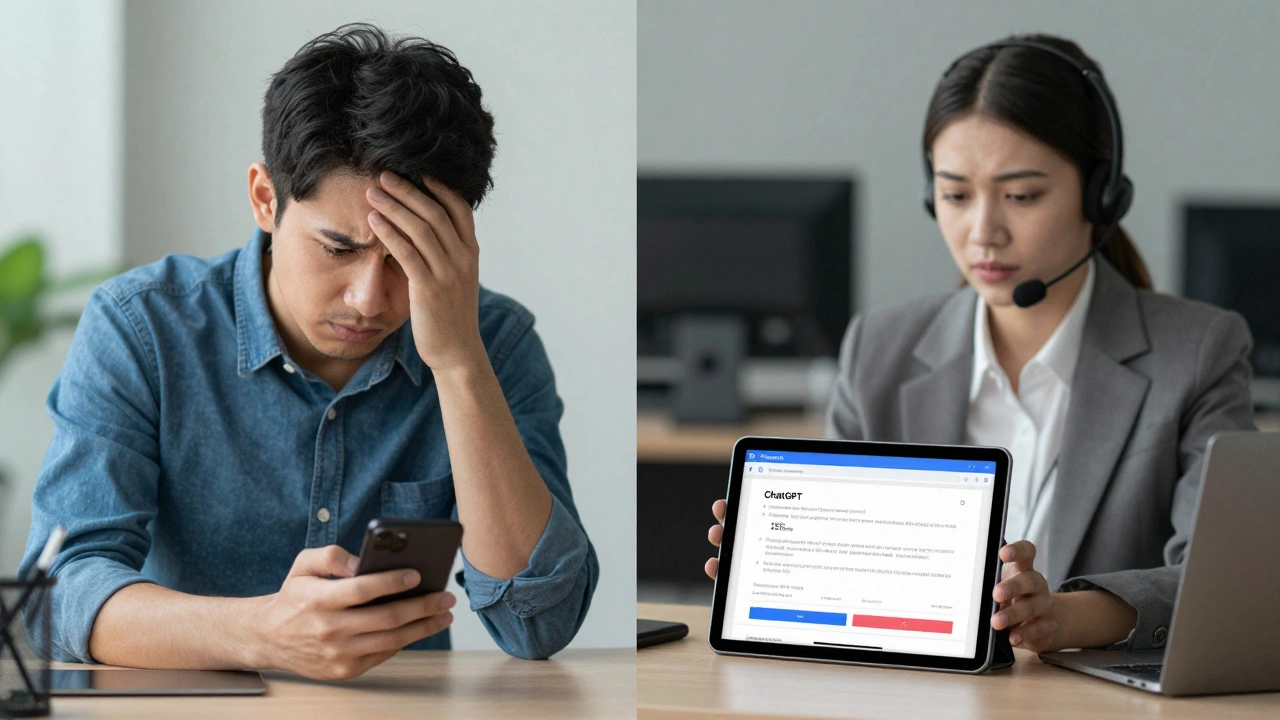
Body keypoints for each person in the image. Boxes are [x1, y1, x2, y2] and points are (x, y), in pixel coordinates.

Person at [20, 23, 597, 678]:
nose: (369, 299)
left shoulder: (494, 344)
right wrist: (259, 634)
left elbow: (538, 624)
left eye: (407, 258)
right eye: (338, 248)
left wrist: (460, 364)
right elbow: (54, 594)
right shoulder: (142, 327)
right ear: (266, 199)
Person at [706, 34, 1254, 654]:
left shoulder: (1199, 352)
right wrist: (784, 565)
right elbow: (854, 585)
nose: (983, 232)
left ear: (1100, 194)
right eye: (956, 195)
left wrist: (1064, 618)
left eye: (1021, 196)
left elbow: (1221, 581)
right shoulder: (879, 349)